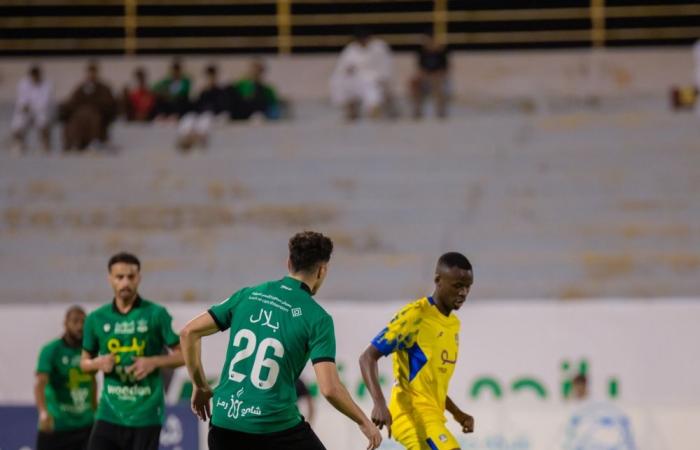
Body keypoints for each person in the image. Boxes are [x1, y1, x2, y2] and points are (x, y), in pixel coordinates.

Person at [180, 230, 382, 450]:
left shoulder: (247, 295)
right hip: (273, 428)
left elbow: (188, 333)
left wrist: (199, 385)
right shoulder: (317, 318)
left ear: (288, 263)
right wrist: (363, 421)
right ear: (322, 271)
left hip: (224, 425)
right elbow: (330, 388)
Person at [359, 252, 475, 450]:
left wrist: (457, 413)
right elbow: (367, 357)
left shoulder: (453, 324)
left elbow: (428, 385)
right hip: (411, 415)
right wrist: (379, 403)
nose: (463, 292)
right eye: (457, 286)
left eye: (468, 287)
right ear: (438, 281)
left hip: (432, 416)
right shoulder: (415, 316)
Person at [80, 252, 184, 450]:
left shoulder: (156, 314)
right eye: (120, 277)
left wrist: (153, 362)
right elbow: (84, 363)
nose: (125, 282)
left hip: (146, 415)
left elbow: (184, 356)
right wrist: (97, 363)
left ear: (139, 278)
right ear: (110, 279)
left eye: (131, 276)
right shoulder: (96, 319)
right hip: (109, 413)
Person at [35, 306, 95, 450]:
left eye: (83, 322)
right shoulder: (51, 350)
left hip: (86, 426)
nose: (80, 326)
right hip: (57, 425)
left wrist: (95, 408)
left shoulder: (89, 350)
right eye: (75, 322)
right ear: (65, 323)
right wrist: (43, 413)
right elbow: (40, 384)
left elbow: (93, 380)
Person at [330, 28, 395, 120]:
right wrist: (348, 69)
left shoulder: (379, 47)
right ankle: (351, 110)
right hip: (356, 78)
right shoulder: (352, 48)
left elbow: (386, 66)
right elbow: (342, 67)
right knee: (339, 80)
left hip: (375, 78)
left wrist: (384, 80)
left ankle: (374, 111)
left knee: (371, 88)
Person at [60, 62, 117, 152]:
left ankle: (95, 141)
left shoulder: (103, 87)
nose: (91, 75)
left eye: (93, 72)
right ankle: (75, 142)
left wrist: (93, 105)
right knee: (74, 120)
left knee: (94, 119)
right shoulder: (81, 87)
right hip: (80, 113)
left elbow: (108, 102)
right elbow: (73, 101)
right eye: (90, 72)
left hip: (96, 113)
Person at [177, 64, 229, 151]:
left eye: (212, 77)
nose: (210, 79)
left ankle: (200, 138)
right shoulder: (201, 90)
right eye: (208, 77)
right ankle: (186, 138)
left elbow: (221, 106)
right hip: (199, 113)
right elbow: (194, 105)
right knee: (189, 117)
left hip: (212, 114)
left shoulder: (221, 90)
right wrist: (199, 92)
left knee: (206, 118)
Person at [11, 65, 53, 153]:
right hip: (27, 110)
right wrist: (24, 106)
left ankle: (45, 144)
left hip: (40, 110)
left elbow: (45, 101)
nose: (35, 78)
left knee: (43, 120)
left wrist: (33, 107)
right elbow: (21, 98)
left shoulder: (46, 84)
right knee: (18, 120)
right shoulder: (23, 83)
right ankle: (18, 143)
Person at [409, 33, 450, 119]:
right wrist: (422, 76)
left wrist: (435, 75)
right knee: (414, 84)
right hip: (425, 76)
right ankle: (417, 112)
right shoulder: (422, 52)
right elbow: (420, 68)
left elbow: (445, 69)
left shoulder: (441, 52)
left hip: (437, 76)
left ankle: (441, 112)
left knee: (438, 85)